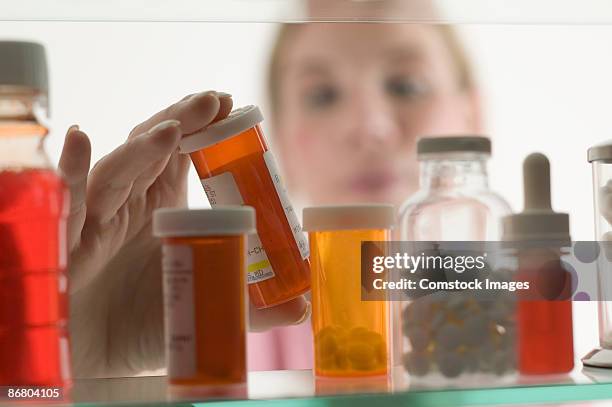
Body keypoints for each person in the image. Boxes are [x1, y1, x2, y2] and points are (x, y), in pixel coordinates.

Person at [62, 3, 481, 377]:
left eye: (406, 86)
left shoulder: (536, 295)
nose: (369, 128)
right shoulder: (224, 344)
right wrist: (89, 366)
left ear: (474, 113)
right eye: (322, 95)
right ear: (278, 137)